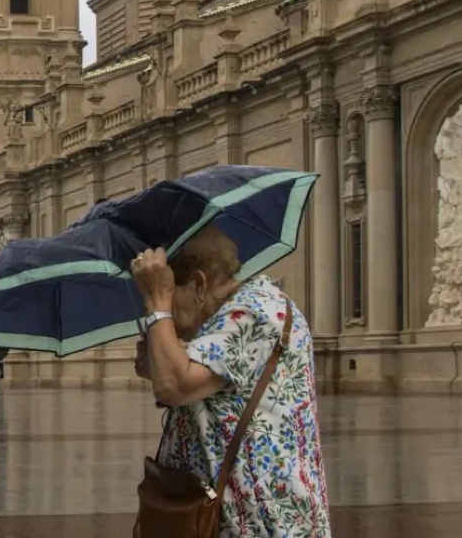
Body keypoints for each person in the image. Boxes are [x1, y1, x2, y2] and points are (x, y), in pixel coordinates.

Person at [131, 225, 330, 538]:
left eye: (172, 293)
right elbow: (200, 385)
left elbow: (175, 385)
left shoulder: (255, 311)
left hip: (256, 521)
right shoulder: (228, 315)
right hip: (223, 514)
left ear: (199, 283)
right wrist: (155, 357)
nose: (167, 309)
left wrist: (157, 302)